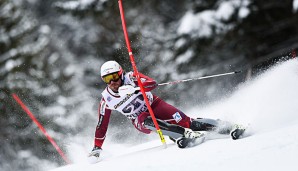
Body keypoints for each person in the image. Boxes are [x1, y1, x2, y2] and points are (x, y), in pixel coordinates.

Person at [89, 61, 244, 157]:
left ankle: (228, 126)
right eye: (107, 79)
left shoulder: (131, 77)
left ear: (121, 73)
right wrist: (97, 147)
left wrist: (134, 88)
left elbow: (152, 83)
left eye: (114, 77)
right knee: (146, 120)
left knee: (186, 121)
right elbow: (102, 125)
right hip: (139, 118)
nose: (112, 82)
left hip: (155, 104)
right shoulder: (106, 99)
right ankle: (182, 134)